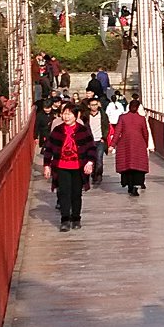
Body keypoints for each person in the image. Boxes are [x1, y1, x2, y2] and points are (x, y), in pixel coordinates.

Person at [42, 101, 95, 231]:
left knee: (76, 193)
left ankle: (76, 218)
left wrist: (90, 162)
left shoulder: (83, 130)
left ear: (76, 116)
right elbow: (49, 148)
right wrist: (47, 165)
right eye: (64, 114)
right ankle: (65, 220)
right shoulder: (58, 130)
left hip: (78, 166)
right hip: (61, 166)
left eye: (69, 114)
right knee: (64, 193)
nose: (66, 117)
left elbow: (91, 147)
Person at [113, 98, 152, 196]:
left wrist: (112, 144)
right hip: (139, 144)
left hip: (125, 144)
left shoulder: (123, 117)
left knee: (127, 165)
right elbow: (145, 133)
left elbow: (117, 132)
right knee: (137, 166)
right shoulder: (141, 118)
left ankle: (129, 185)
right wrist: (146, 144)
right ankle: (135, 186)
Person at [83, 95, 110, 189]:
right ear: (89, 106)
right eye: (92, 105)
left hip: (100, 140)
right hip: (90, 141)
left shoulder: (103, 115)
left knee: (99, 159)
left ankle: (98, 175)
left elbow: (106, 127)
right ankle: (93, 174)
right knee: (91, 159)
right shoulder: (85, 116)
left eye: (95, 104)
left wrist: (104, 137)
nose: (94, 107)